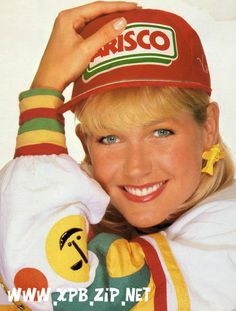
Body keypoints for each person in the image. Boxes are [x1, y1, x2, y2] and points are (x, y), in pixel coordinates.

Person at [0, 1, 236, 310]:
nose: (136, 168)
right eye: (109, 138)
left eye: (161, 132)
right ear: (85, 144)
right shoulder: (86, 224)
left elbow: (64, 297)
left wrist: (44, 94)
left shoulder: (227, 232)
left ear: (208, 128)